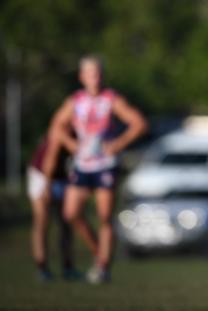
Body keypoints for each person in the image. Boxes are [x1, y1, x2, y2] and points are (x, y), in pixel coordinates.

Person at [50, 56, 147, 284]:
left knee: (104, 217)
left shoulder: (111, 99)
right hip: (83, 164)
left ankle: (103, 267)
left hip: (105, 165)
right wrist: (71, 144)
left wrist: (118, 144)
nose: (96, 78)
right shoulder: (75, 101)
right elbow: (56, 126)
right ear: (82, 77)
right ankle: (98, 252)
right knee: (71, 214)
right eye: (91, 74)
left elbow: (139, 123)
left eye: (99, 73)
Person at [26, 133, 79, 282]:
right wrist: (47, 186)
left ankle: (68, 267)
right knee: (41, 221)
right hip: (41, 175)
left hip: (62, 177)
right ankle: (41, 267)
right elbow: (50, 160)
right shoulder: (63, 129)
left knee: (66, 222)